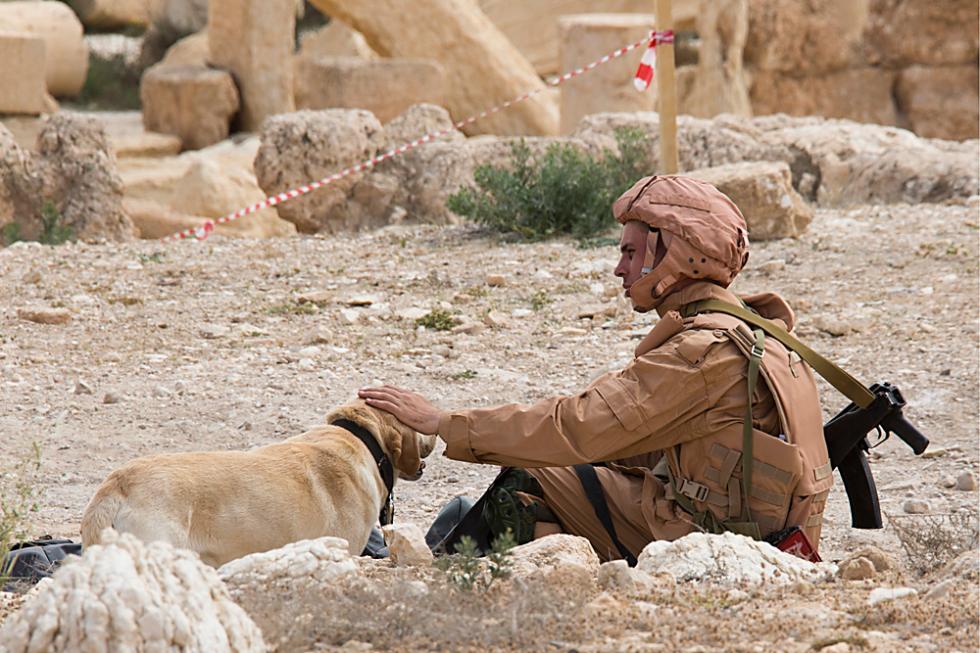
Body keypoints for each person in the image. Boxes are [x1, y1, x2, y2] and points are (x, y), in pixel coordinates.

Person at [359, 175, 833, 563]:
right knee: (579, 470)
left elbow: (578, 427)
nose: (619, 269)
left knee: (528, 480)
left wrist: (444, 423)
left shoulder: (701, 354)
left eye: (631, 253)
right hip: (749, 528)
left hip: (712, 539)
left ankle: (439, 572)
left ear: (677, 256)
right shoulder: (758, 331)